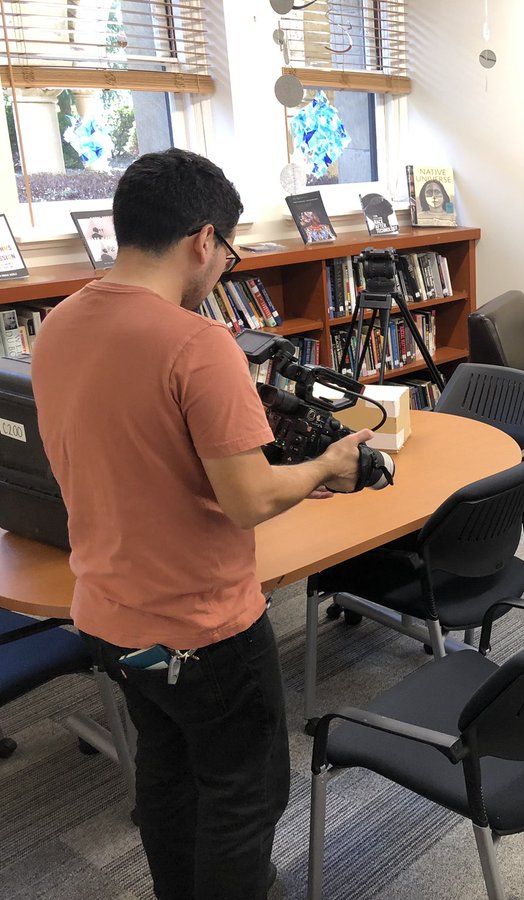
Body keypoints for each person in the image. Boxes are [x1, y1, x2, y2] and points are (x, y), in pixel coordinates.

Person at [31, 149, 373, 900]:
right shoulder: (198, 343)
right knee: (243, 794)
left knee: (167, 766)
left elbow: (137, 459)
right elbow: (249, 499)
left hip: (110, 621)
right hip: (203, 629)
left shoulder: (55, 328)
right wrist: (324, 468)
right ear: (201, 240)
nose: (224, 266)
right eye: (229, 251)